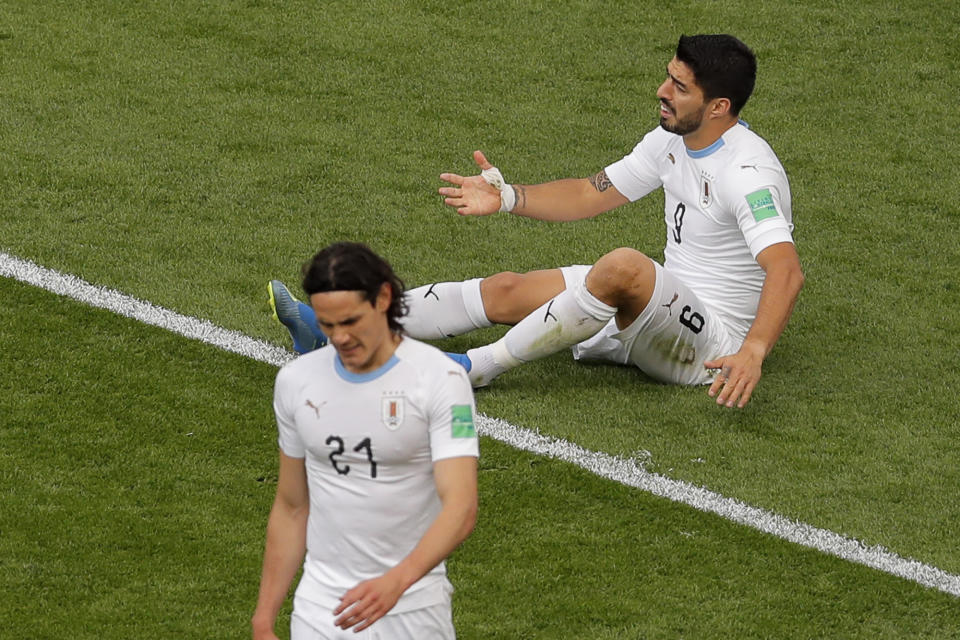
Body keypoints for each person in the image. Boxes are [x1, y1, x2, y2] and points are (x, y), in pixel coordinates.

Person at [269, 34, 804, 409]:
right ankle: (327, 331)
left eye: (680, 87)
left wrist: (752, 352)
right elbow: (588, 195)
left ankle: (474, 370)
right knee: (507, 290)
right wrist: (508, 197)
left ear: (718, 107)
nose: (662, 92)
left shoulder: (749, 173)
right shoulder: (669, 139)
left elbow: (785, 271)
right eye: (668, 77)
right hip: (661, 306)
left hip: (712, 341)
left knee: (623, 266)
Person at [252, 242, 479, 640]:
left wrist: (396, 582)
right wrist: (264, 616)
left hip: (412, 609)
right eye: (327, 325)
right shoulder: (295, 381)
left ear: (384, 299)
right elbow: (291, 506)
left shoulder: (441, 380)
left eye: (351, 321)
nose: (339, 338)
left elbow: (461, 506)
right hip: (321, 609)